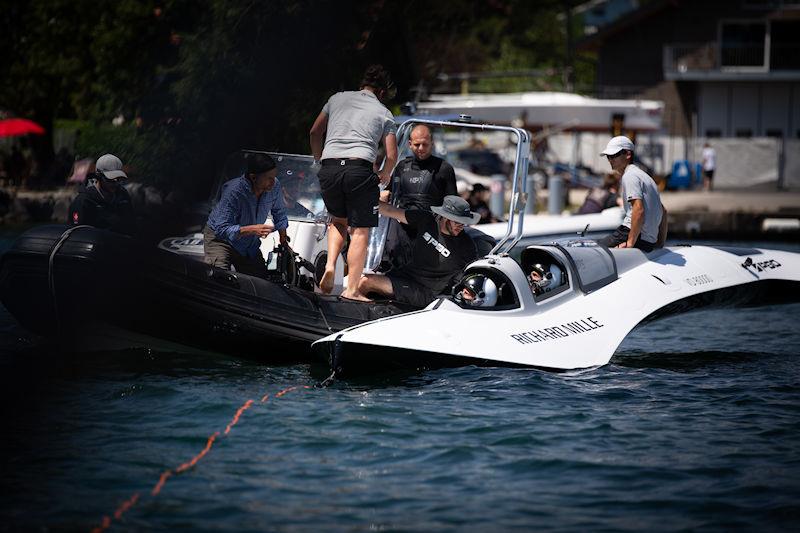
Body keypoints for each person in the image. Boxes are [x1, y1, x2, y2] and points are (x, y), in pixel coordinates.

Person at [309, 64, 398, 300]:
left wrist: (319, 160)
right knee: (359, 231)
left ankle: (330, 265)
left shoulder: (336, 99)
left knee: (337, 221)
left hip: (329, 168)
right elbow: (391, 155)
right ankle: (351, 290)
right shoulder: (383, 112)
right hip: (359, 169)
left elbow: (314, 132)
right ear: (381, 92)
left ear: (362, 85)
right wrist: (384, 173)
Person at [356, 195, 481, 307]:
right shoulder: (427, 220)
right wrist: (362, 197)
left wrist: (468, 290)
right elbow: (390, 210)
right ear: (445, 217)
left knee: (366, 282)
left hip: (426, 292)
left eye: (464, 223)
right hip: (404, 276)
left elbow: (472, 273)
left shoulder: (467, 245)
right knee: (360, 283)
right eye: (457, 222)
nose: (461, 226)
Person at [380, 123, 457, 271]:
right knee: (396, 266)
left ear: (432, 144)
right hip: (402, 227)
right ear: (409, 144)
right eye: (417, 144)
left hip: (430, 229)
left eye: (425, 144)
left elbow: (452, 202)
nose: (421, 148)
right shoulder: (401, 167)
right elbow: (386, 194)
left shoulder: (444, 168)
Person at [203, 153, 289, 277]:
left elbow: (279, 212)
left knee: (262, 283)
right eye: (269, 178)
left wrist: (283, 239)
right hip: (221, 240)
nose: (273, 182)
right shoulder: (234, 192)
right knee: (219, 278)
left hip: (248, 243)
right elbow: (221, 229)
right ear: (254, 178)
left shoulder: (274, 186)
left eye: (274, 177)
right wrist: (252, 229)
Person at [597, 136, 667, 252]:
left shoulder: (630, 176)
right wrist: (659, 243)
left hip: (632, 234)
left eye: (614, 155)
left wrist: (630, 243)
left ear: (628, 154)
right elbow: (663, 211)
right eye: (608, 156)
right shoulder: (646, 178)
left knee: (595, 249)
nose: (610, 160)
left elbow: (638, 210)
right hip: (647, 241)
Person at [68, 153, 135, 235]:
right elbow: (76, 233)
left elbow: (131, 225)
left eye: (119, 178)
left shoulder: (123, 196)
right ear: (98, 176)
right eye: (110, 179)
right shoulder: (83, 201)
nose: (115, 183)